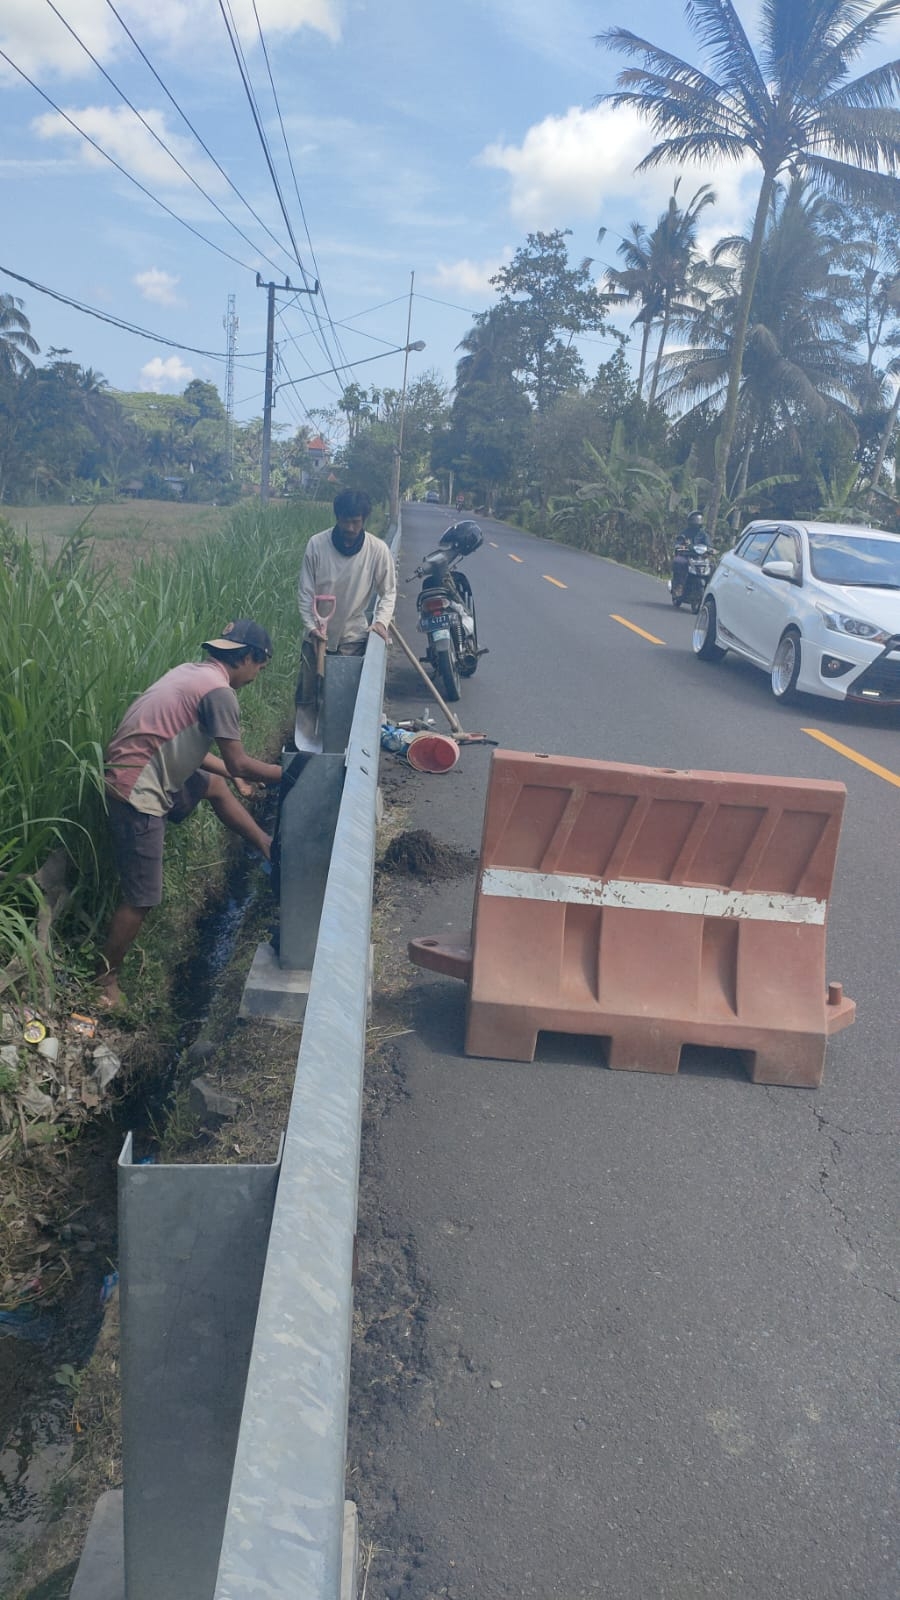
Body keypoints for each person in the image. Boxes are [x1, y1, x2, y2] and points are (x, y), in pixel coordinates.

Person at [95, 619, 283, 1008]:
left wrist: (234, 776)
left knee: (212, 785)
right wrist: (291, 772)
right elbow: (240, 761)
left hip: (138, 769)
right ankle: (105, 978)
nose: (255, 678)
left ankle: (263, 843)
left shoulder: (192, 672)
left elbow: (200, 752)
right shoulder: (220, 693)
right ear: (248, 658)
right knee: (143, 898)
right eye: (259, 669)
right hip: (138, 790)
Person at [294, 488, 396, 751]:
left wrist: (381, 621)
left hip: (352, 637)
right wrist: (311, 627)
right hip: (316, 635)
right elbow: (306, 592)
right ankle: (306, 747)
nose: (350, 527)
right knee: (309, 697)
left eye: (356, 521)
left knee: (341, 701)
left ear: (364, 520)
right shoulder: (317, 545)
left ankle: (339, 750)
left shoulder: (377, 550)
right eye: (345, 520)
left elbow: (388, 592)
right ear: (337, 518)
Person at [672, 509, 705, 598]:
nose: (697, 521)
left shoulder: (703, 534)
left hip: (700, 558)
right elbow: (678, 542)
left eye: (698, 519)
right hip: (686, 556)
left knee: (712, 566)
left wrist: (711, 549)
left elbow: (709, 545)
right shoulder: (685, 532)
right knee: (679, 562)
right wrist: (680, 546)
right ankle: (679, 585)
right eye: (695, 519)